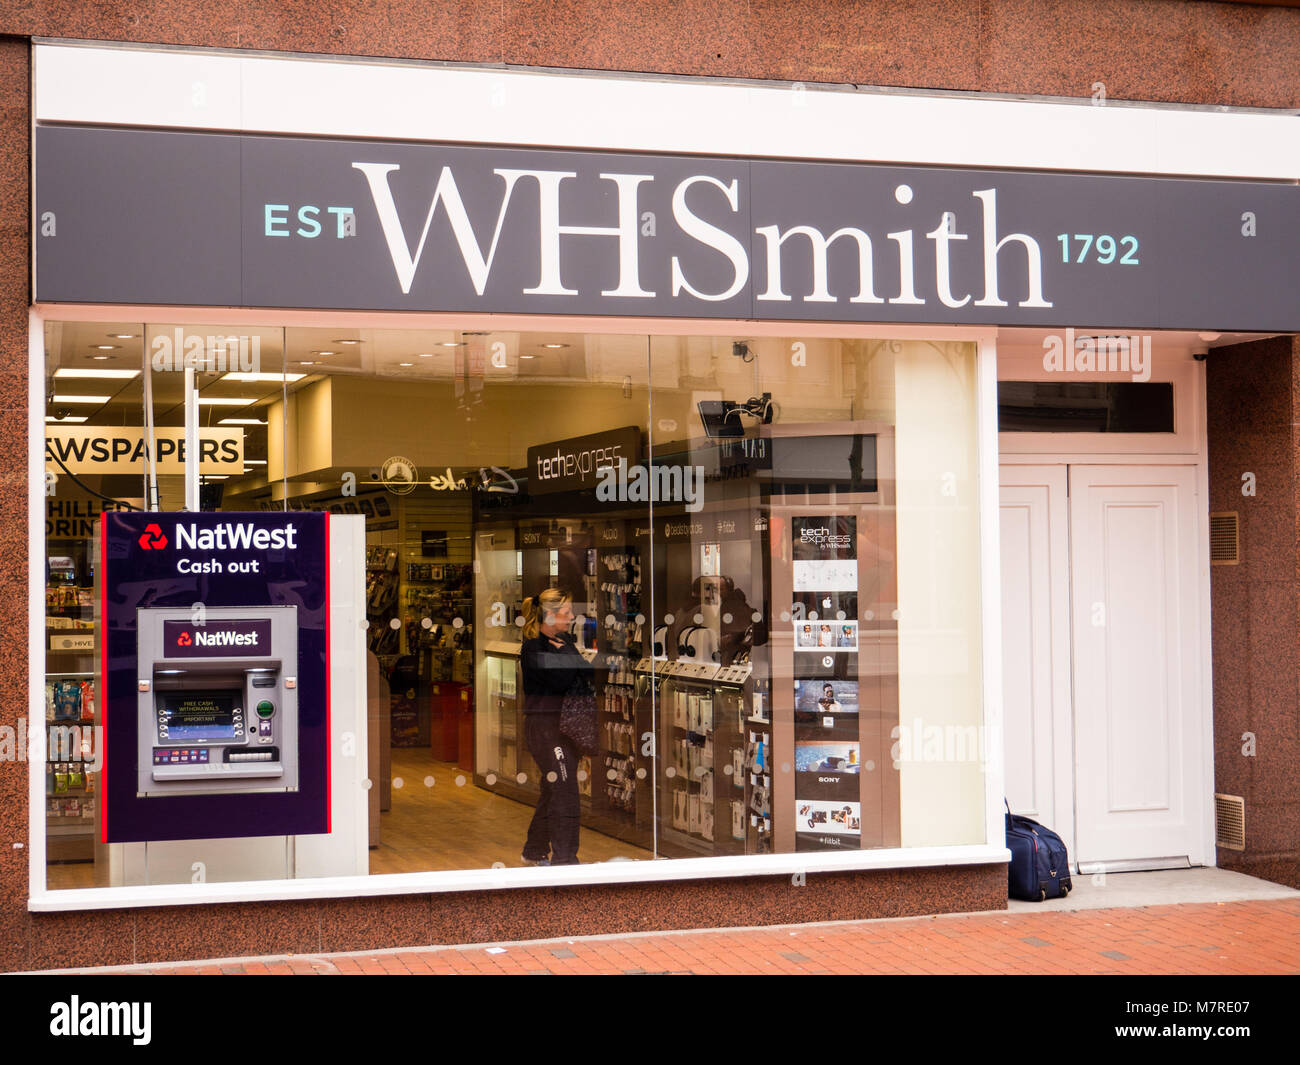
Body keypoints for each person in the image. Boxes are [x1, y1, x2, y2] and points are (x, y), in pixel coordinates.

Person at [518, 588, 590, 866]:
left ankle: (534, 850)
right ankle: (565, 860)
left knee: (553, 789)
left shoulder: (563, 641)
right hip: (545, 727)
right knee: (565, 790)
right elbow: (560, 680)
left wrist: (568, 655)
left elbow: (585, 671)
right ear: (550, 615)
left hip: (564, 727)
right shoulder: (533, 647)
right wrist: (569, 659)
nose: (572, 616)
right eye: (566, 612)